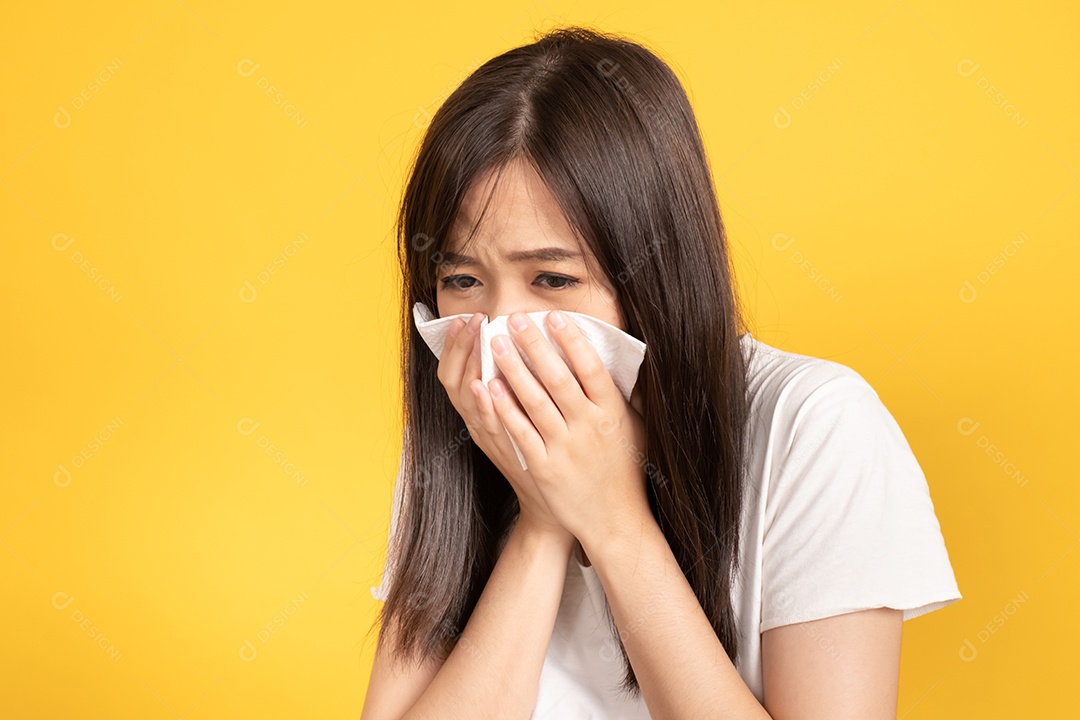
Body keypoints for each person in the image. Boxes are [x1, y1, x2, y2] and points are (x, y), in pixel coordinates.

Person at [361, 25, 961, 720]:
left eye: (552, 278)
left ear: (655, 272)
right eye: (463, 280)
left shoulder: (817, 427)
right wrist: (541, 524)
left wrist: (613, 519)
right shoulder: (469, 421)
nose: (499, 331)